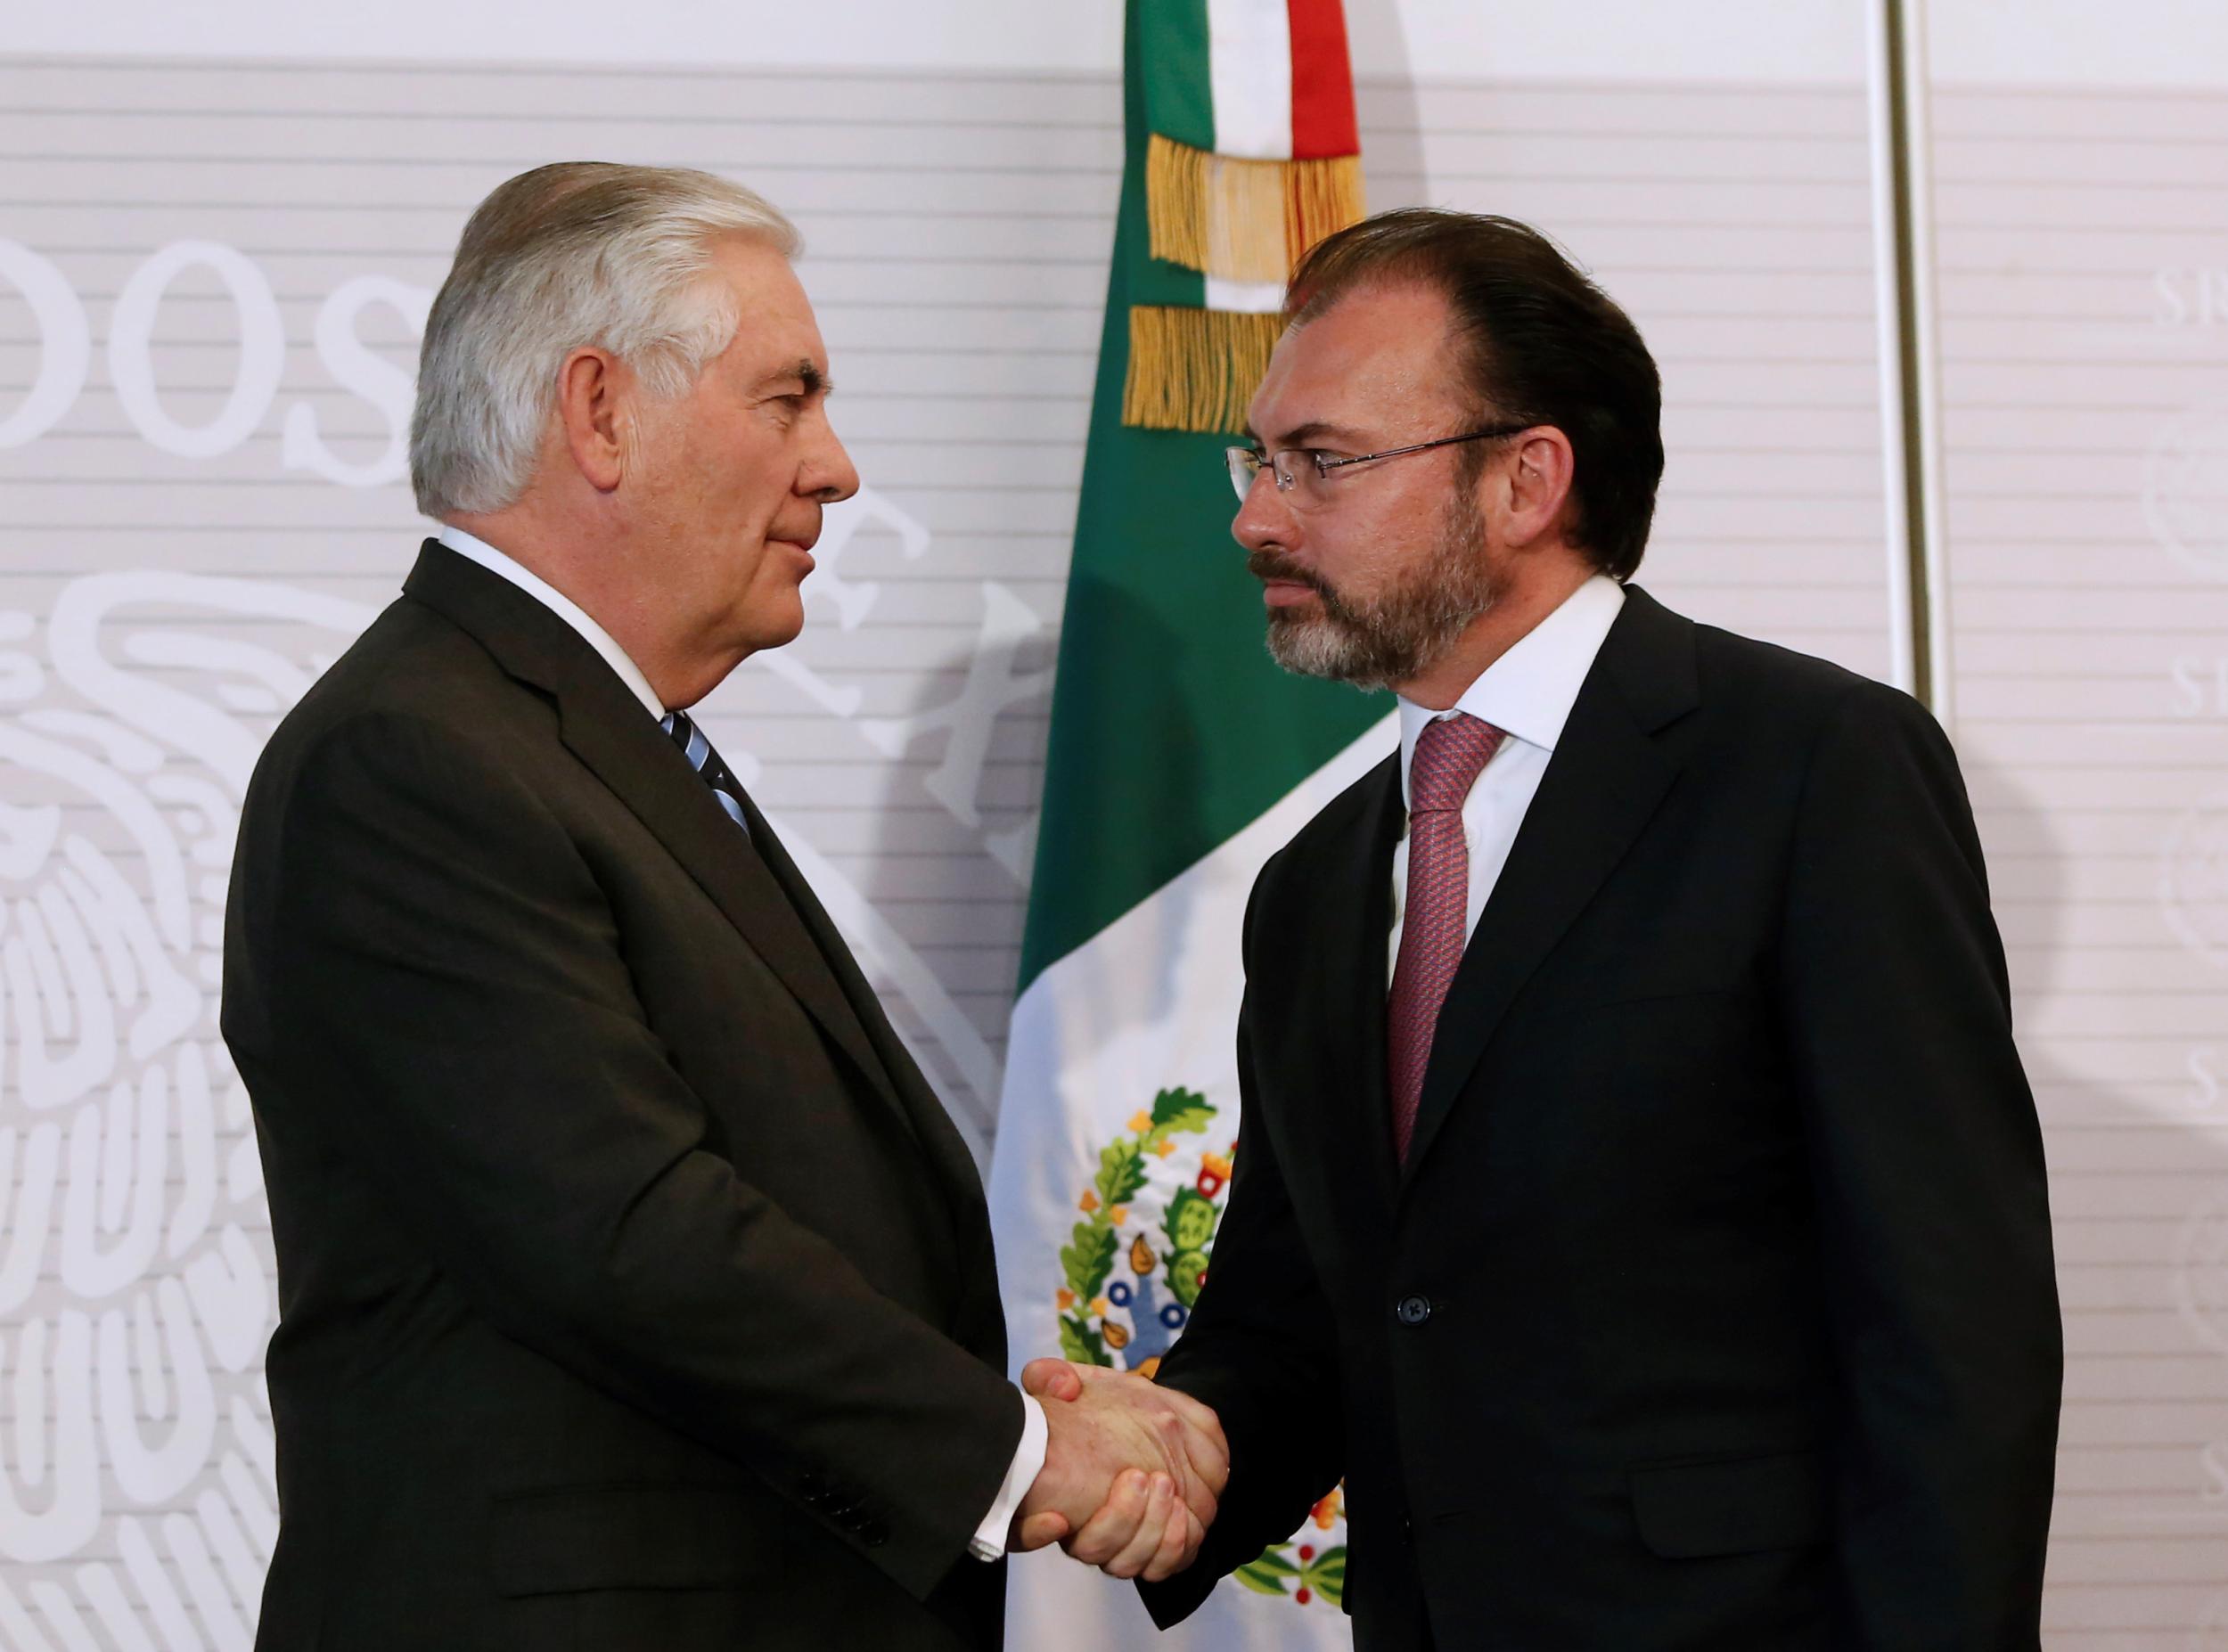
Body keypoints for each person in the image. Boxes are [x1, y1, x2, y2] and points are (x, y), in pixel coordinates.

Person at [1028, 208, 2063, 1649]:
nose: (1254, 517)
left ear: (1527, 479)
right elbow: (1312, 1311)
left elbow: (1954, 1327)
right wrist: (1175, 1442)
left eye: (1321, 461)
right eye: (1257, 461)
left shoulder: (1810, 768)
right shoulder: (1316, 885)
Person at [221, 162, 1223, 1652]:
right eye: (788, 398)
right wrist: (1025, 1456)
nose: (836, 467)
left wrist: (1020, 1418)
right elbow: (630, 1231)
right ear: (602, 412)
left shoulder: (581, 744)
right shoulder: (414, 757)